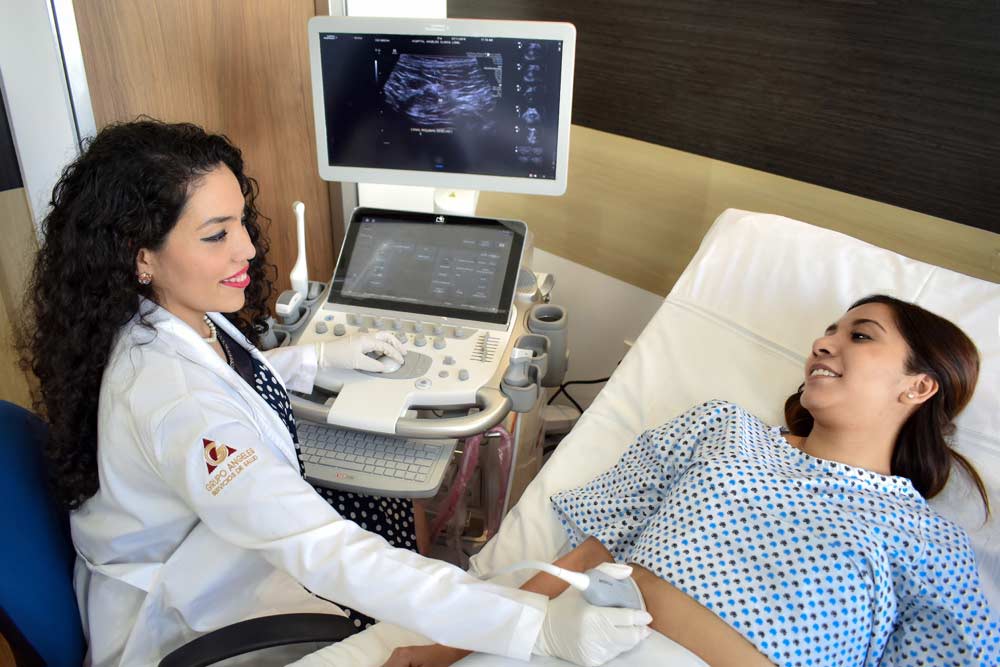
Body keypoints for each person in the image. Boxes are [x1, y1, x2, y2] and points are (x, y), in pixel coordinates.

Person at [16, 119, 651, 667]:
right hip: (193, 619)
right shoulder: (177, 404)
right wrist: (536, 627)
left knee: (385, 513)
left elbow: (224, 375)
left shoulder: (168, 317)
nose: (246, 248)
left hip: (212, 547)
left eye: (240, 222)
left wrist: (316, 358)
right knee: (373, 548)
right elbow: (322, 549)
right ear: (141, 256)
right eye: (216, 235)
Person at [337, 295, 998, 667]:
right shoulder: (724, 429)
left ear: (919, 386)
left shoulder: (927, 540)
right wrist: (445, 649)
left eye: (861, 336)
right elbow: (585, 557)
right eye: (828, 331)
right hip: (568, 644)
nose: (824, 344)